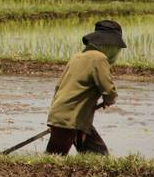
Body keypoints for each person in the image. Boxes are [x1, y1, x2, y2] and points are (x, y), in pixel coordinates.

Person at [45, 20, 126, 156]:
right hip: (71, 119)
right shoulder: (99, 58)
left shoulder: (77, 57)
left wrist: (56, 119)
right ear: (110, 44)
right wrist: (109, 99)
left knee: (98, 154)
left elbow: (59, 86)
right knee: (54, 160)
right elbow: (108, 89)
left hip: (68, 116)